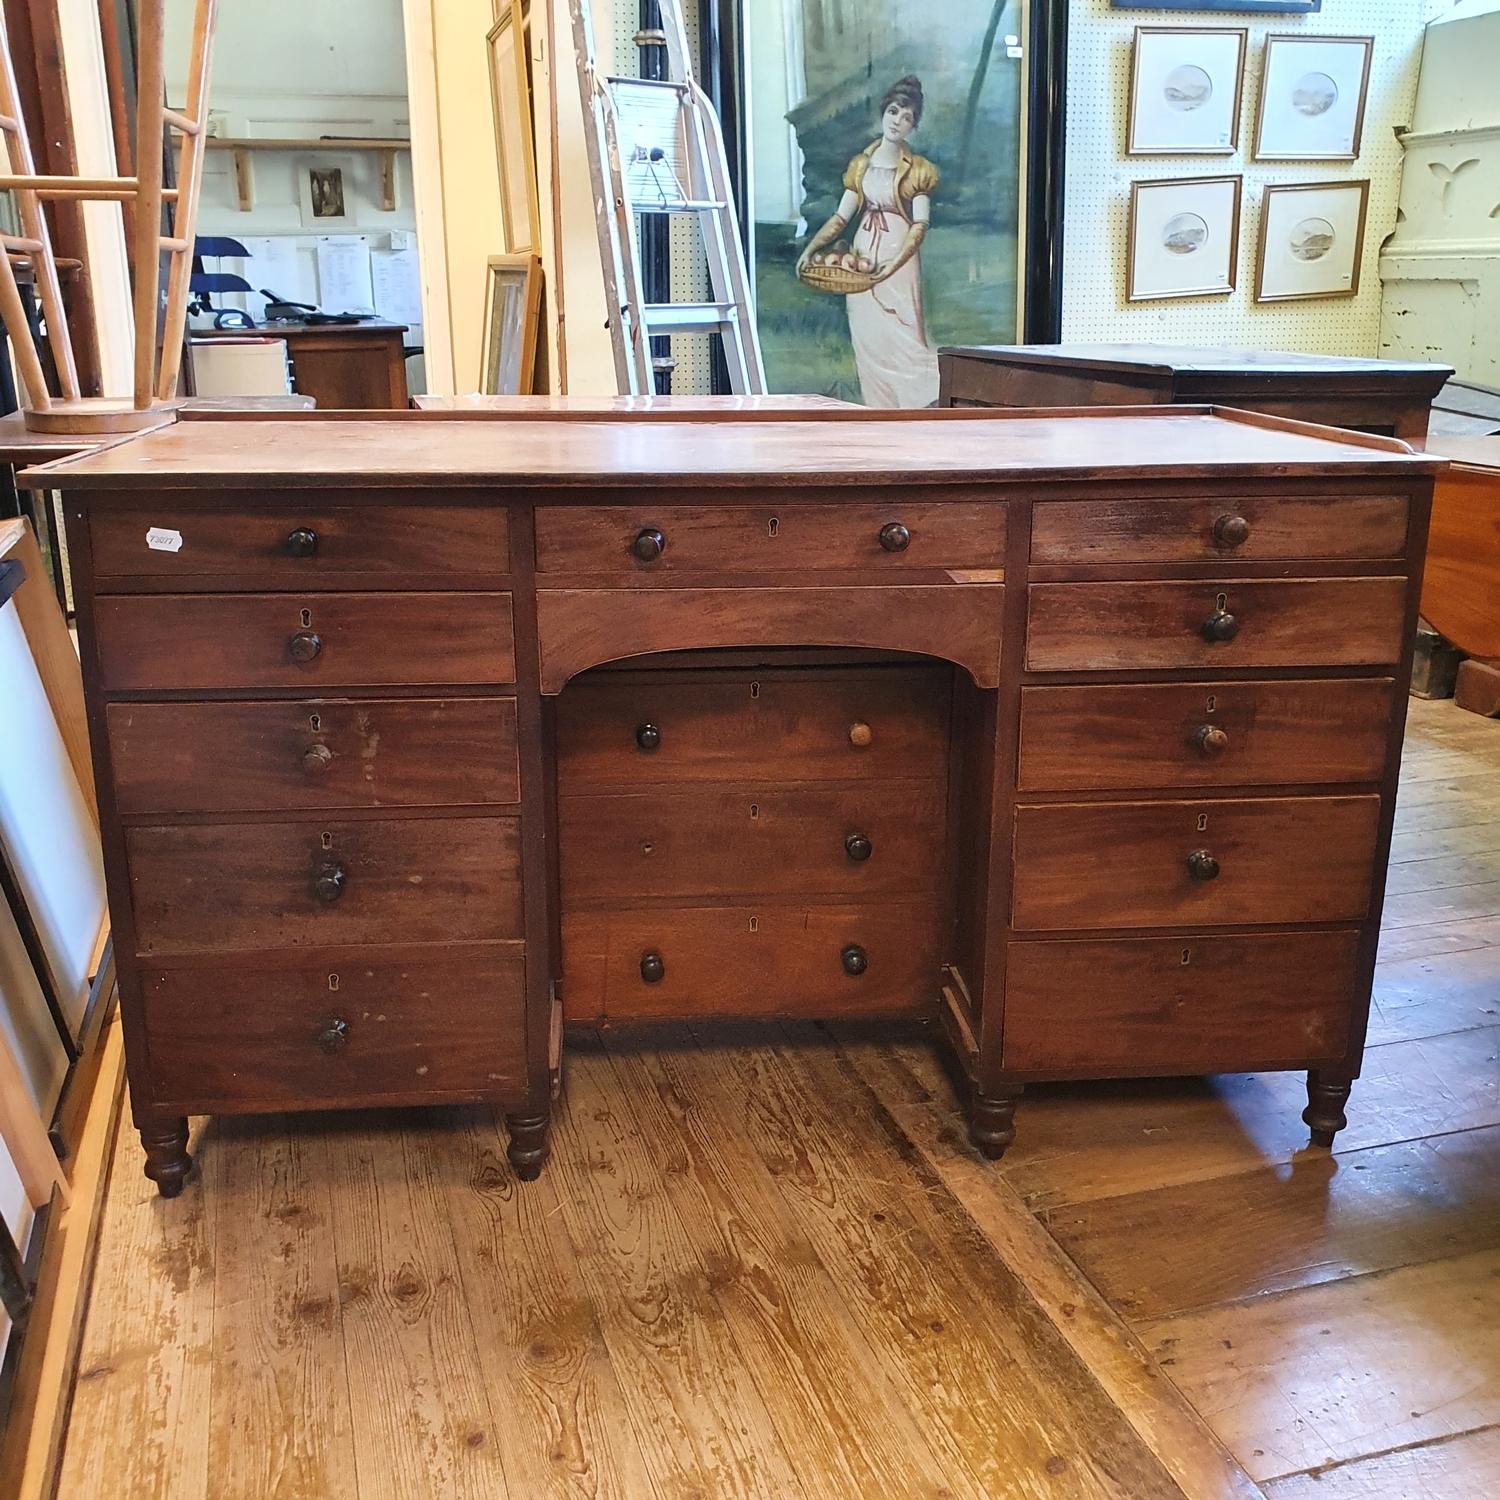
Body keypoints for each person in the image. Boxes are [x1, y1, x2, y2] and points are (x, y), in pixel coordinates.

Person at [796, 75, 940, 408]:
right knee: (867, 334)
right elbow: (840, 218)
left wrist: (894, 263)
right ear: (883, 113)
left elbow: (919, 225)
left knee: (904, 336)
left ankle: (918, 408)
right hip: (861, 254)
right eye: (894, 112)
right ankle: (879, 409)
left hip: (898, 257)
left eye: (907, 118)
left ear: (912, 126)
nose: (898, 122)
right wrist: (812, 248)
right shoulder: (861, 165)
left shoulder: (917, 169)